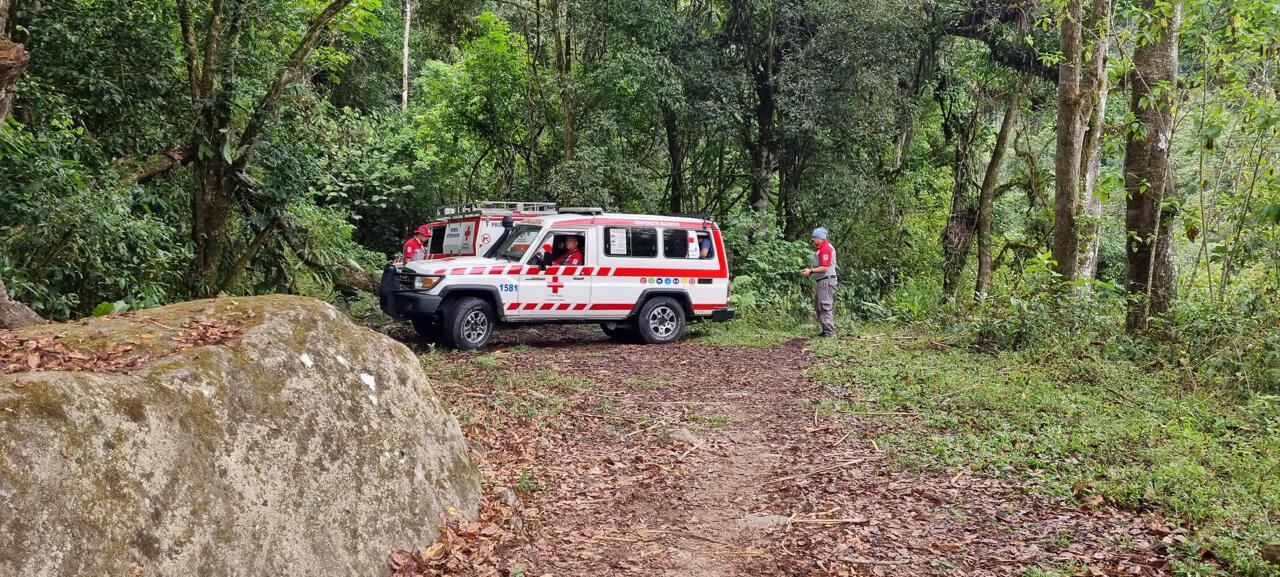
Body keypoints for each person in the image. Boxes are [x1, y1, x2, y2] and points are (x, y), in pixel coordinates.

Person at [800, 227, 838, 337]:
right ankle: (825, 331)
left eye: (813, 238)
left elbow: (825, 268)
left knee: (825, 306)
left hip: (826, 281)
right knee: (818, 306)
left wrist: (811, 271)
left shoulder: (825, 249)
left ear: (819, 238)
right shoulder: (821, 249)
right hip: (822, 281)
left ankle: (829, 333)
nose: (812, 241)